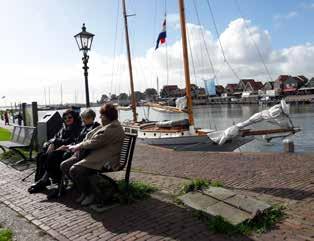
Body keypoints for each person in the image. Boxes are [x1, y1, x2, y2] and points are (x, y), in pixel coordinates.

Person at [67, 103, 125, 206]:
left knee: (75, 169)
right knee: (65, 166)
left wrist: (78, 146)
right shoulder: (107, 125)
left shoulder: (112, 128)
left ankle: (89, 194)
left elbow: (95, 142)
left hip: (106, 160)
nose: (100, 117)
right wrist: (79, 145)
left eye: (102, 115)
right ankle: (84, 191)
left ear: (108, 116)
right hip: (97, 156)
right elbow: (90, 137)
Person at [47, 108, 100, 198]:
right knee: (49, 156)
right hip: (75, 149)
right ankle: (55, 182)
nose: (83, 120)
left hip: (83, 153)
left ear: (92, 118)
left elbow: (89, 143)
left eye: (86, 118)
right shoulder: (84, 127)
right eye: (83, 118)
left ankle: (64, 185)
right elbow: (76, 140)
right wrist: (68, 146)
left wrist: (70, 147)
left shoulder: (95, 127)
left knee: (58, 157)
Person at [28, 109, 82, 193]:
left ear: (74, 118)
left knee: (51, 157)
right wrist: (51, 143)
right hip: (58, 149)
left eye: (69, 117)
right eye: (65, 118)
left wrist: (55, 143)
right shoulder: (63, 128)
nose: (67, 119)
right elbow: (54, 138)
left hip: (67, 150)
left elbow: (71, 140)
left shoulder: (77, 128)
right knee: (41, 155)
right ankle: (40, 180)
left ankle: (49, 181)